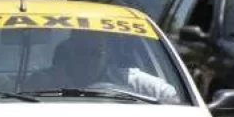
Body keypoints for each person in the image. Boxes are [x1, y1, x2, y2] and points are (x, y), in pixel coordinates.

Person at [23, 31, 180, 104]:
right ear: (69, 51)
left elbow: (171, 97)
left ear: (107, 55)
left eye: (95, 53)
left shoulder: (135, 83)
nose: (88, 60)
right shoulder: (42, 83)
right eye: (81, 52)